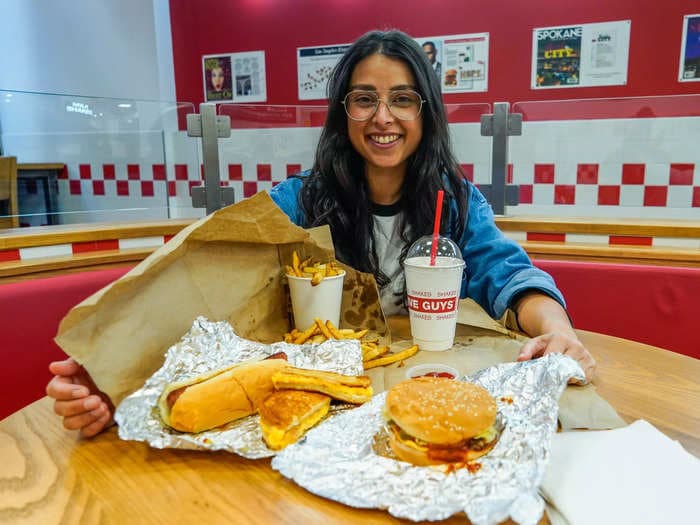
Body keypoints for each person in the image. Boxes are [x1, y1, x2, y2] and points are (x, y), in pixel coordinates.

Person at [46, 29, 595, 437]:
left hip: (434, 386)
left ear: (426, 113)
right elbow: (202, 273)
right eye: (364, 99)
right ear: (343, 112)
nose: (384, 117)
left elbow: (508, 271)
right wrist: (108, 365)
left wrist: (557, 329)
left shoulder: (454, 201)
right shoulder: (299, 201)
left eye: (403, 99)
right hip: (319, 415)